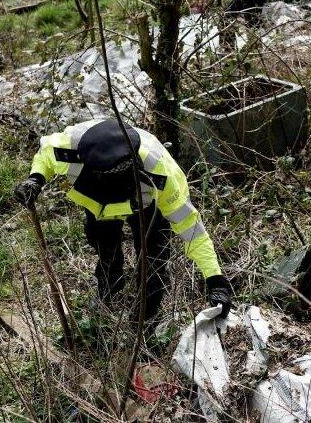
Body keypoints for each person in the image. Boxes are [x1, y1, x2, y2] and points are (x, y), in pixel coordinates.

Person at [13, 118, 233, 320]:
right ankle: (109, 289)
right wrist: (36, 179)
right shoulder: (70, 150)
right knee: (102, 241)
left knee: (153, 260)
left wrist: (215, 280)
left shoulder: (161, 176)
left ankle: (145, 319)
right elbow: (47, 153)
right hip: (98, 201)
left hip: (148, 204)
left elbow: (191, 228)